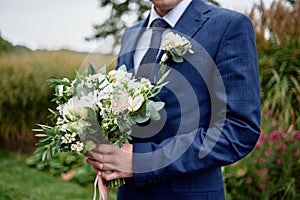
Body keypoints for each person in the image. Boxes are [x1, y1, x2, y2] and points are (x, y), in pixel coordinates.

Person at [85, 0, 261, 199]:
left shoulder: (229, 26)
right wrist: (104, 148)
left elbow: (239, 129)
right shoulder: (130, 36)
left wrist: (143, 161)